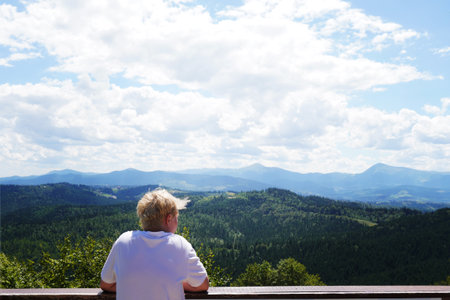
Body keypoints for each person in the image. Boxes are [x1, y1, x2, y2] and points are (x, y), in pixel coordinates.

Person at [100, 189, 209, 299]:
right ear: (169, 218)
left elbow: (106, 284)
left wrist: (139, 286)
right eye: (176, 217)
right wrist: (173, 284)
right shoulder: (180, 244)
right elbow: (202, 285)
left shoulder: (123, 241)